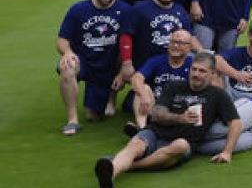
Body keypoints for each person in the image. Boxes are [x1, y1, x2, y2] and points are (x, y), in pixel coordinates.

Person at [93, 51, 241, 188]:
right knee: (135, 145)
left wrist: (227, 152)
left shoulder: (218, 95)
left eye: (202, 71)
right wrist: (179, 118)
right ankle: (111, 174)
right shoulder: (175, 86)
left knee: (180, 145)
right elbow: (157, 113)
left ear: (213, 73)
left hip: (184, 142)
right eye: (194, 69)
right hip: (156, 132)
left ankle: (123, 166)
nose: (196, 74)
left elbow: (235, 122)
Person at [57, 0, 132, 135]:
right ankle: (72, 120)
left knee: (94, 116)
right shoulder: (78, 9)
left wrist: (121, 73)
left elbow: (130, 44)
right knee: (67, 67)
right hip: (83, 60)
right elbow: (62, 39)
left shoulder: (126, 11)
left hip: (108, 65)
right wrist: (67, 52)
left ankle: (107, 99)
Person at [127, 29, 194, 134]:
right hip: (157, 107)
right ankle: (142, 130)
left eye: (180, 43)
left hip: (180, 110)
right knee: (143, 88)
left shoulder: (193, 65)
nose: (175, 46)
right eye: (173, 42)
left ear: (189, 47)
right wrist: (144, 95)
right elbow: (136, 77)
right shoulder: (157, 60)